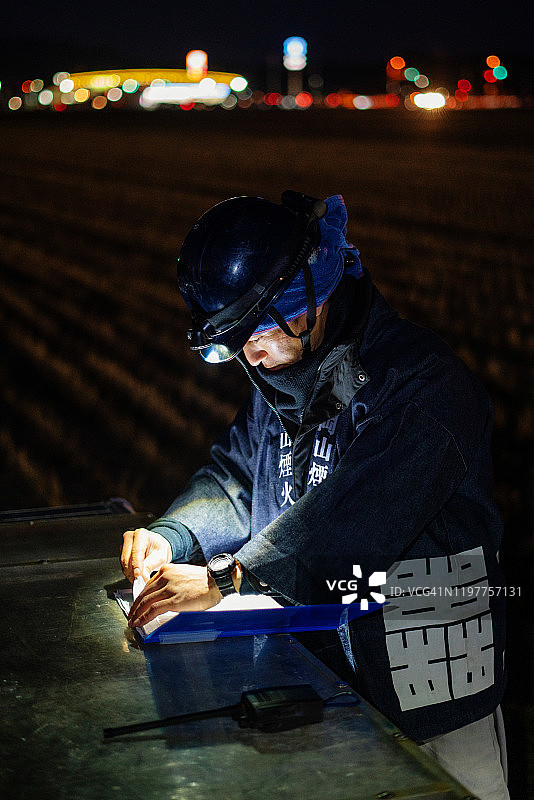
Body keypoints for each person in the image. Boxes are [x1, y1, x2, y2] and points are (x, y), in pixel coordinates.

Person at [120, 191, 509, 799]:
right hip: (330, 686)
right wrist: (171, 537)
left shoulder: (426, 386)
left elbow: (358, 515)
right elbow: (238, 478)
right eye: (230, 341)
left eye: (254, 332)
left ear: (310, 296)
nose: (248, 355)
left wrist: (228, 577)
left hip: (432, 687)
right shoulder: (279, 377)